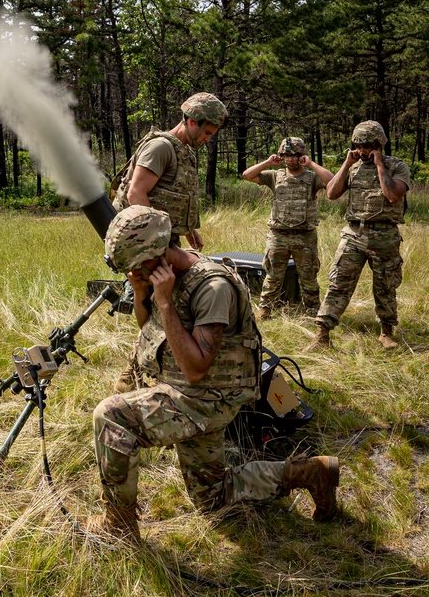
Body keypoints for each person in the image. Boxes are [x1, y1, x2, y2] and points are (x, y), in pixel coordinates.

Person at [91, 206, 340, 543]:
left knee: (112, 416)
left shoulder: (213, 288)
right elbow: (150, 331)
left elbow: (195, 369)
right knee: (213, 499)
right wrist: (141, 294)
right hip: (188, 391)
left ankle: (118, 528)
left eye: (137, 266)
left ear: (157, 255)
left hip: (208, 398)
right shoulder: (164, 274)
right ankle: (313, 473)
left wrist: (165, 303)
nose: (134, 272)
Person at [110, 92, 227, 393]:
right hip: (148, 245)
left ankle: (151, 368)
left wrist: (189, 230)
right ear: (190, 121)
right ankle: (133, 374)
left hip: (162, 241)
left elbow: (176, 197)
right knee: (156, 306)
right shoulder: (161, 148)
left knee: (169, 307)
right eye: (207, 132)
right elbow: (137, 194)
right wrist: (159, 249)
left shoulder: (184, 150)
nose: (208, 139)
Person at [308, 121, 410, 351]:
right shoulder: (352, 167)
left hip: (385, 235)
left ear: (379, 144)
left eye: (368, 146)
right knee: (338, 284)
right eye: (359, 145)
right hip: (354, 234)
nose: (363, 150)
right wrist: (346, 163)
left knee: (385, 286)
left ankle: (386, 332)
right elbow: (332, 193)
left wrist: (379, 165)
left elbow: (393, 195)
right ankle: (321, 334)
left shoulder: (397, 167)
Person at [242, 137, 334, 319]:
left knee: (308, 277)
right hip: (279, 235)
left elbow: (331, 181)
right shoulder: (275, 176)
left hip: (305, 236)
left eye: (295, 155)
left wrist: (312, 164)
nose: (290, 159)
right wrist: (268, 162)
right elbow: (247, 175)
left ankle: (312, 310)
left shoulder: (311, 178)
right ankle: (266, 309)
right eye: (286, 156)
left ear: (302, 156)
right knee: (273, 275)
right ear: (282, 156)